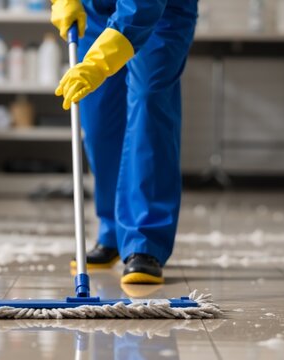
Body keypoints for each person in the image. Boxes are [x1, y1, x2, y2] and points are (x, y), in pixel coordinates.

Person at [51, 0, 197, 284]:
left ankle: (145, 242)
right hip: (95, 10)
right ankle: (113, 232)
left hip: (160, 12)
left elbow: (140, 9)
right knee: (98, 116)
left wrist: (98, 62)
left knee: (148, 100)